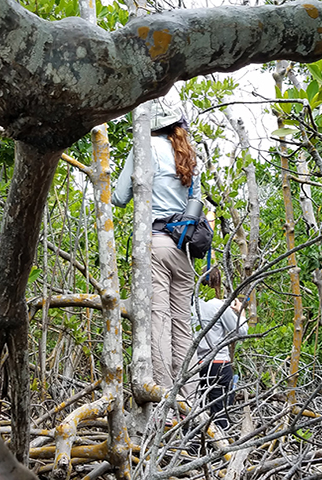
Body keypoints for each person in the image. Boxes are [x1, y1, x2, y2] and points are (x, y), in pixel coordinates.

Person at [111, 103, 199, 398]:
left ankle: (164, 400)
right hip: (183, 247)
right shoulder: (187, 153)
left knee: (159, 320)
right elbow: (196, 202)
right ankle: (189, 396)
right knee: (182, 323)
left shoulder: (143, 146)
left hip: (155, 241)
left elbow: (120, 197)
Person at [191, 267, 248, 431]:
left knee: (197, 412)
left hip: (196, 366)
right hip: (219, 365)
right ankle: (221, 452)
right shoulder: (219, 305)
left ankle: (194, 449)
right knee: (221, 416)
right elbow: (241, 331)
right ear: (218, 284)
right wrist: (240, 313)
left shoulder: (190, 306)